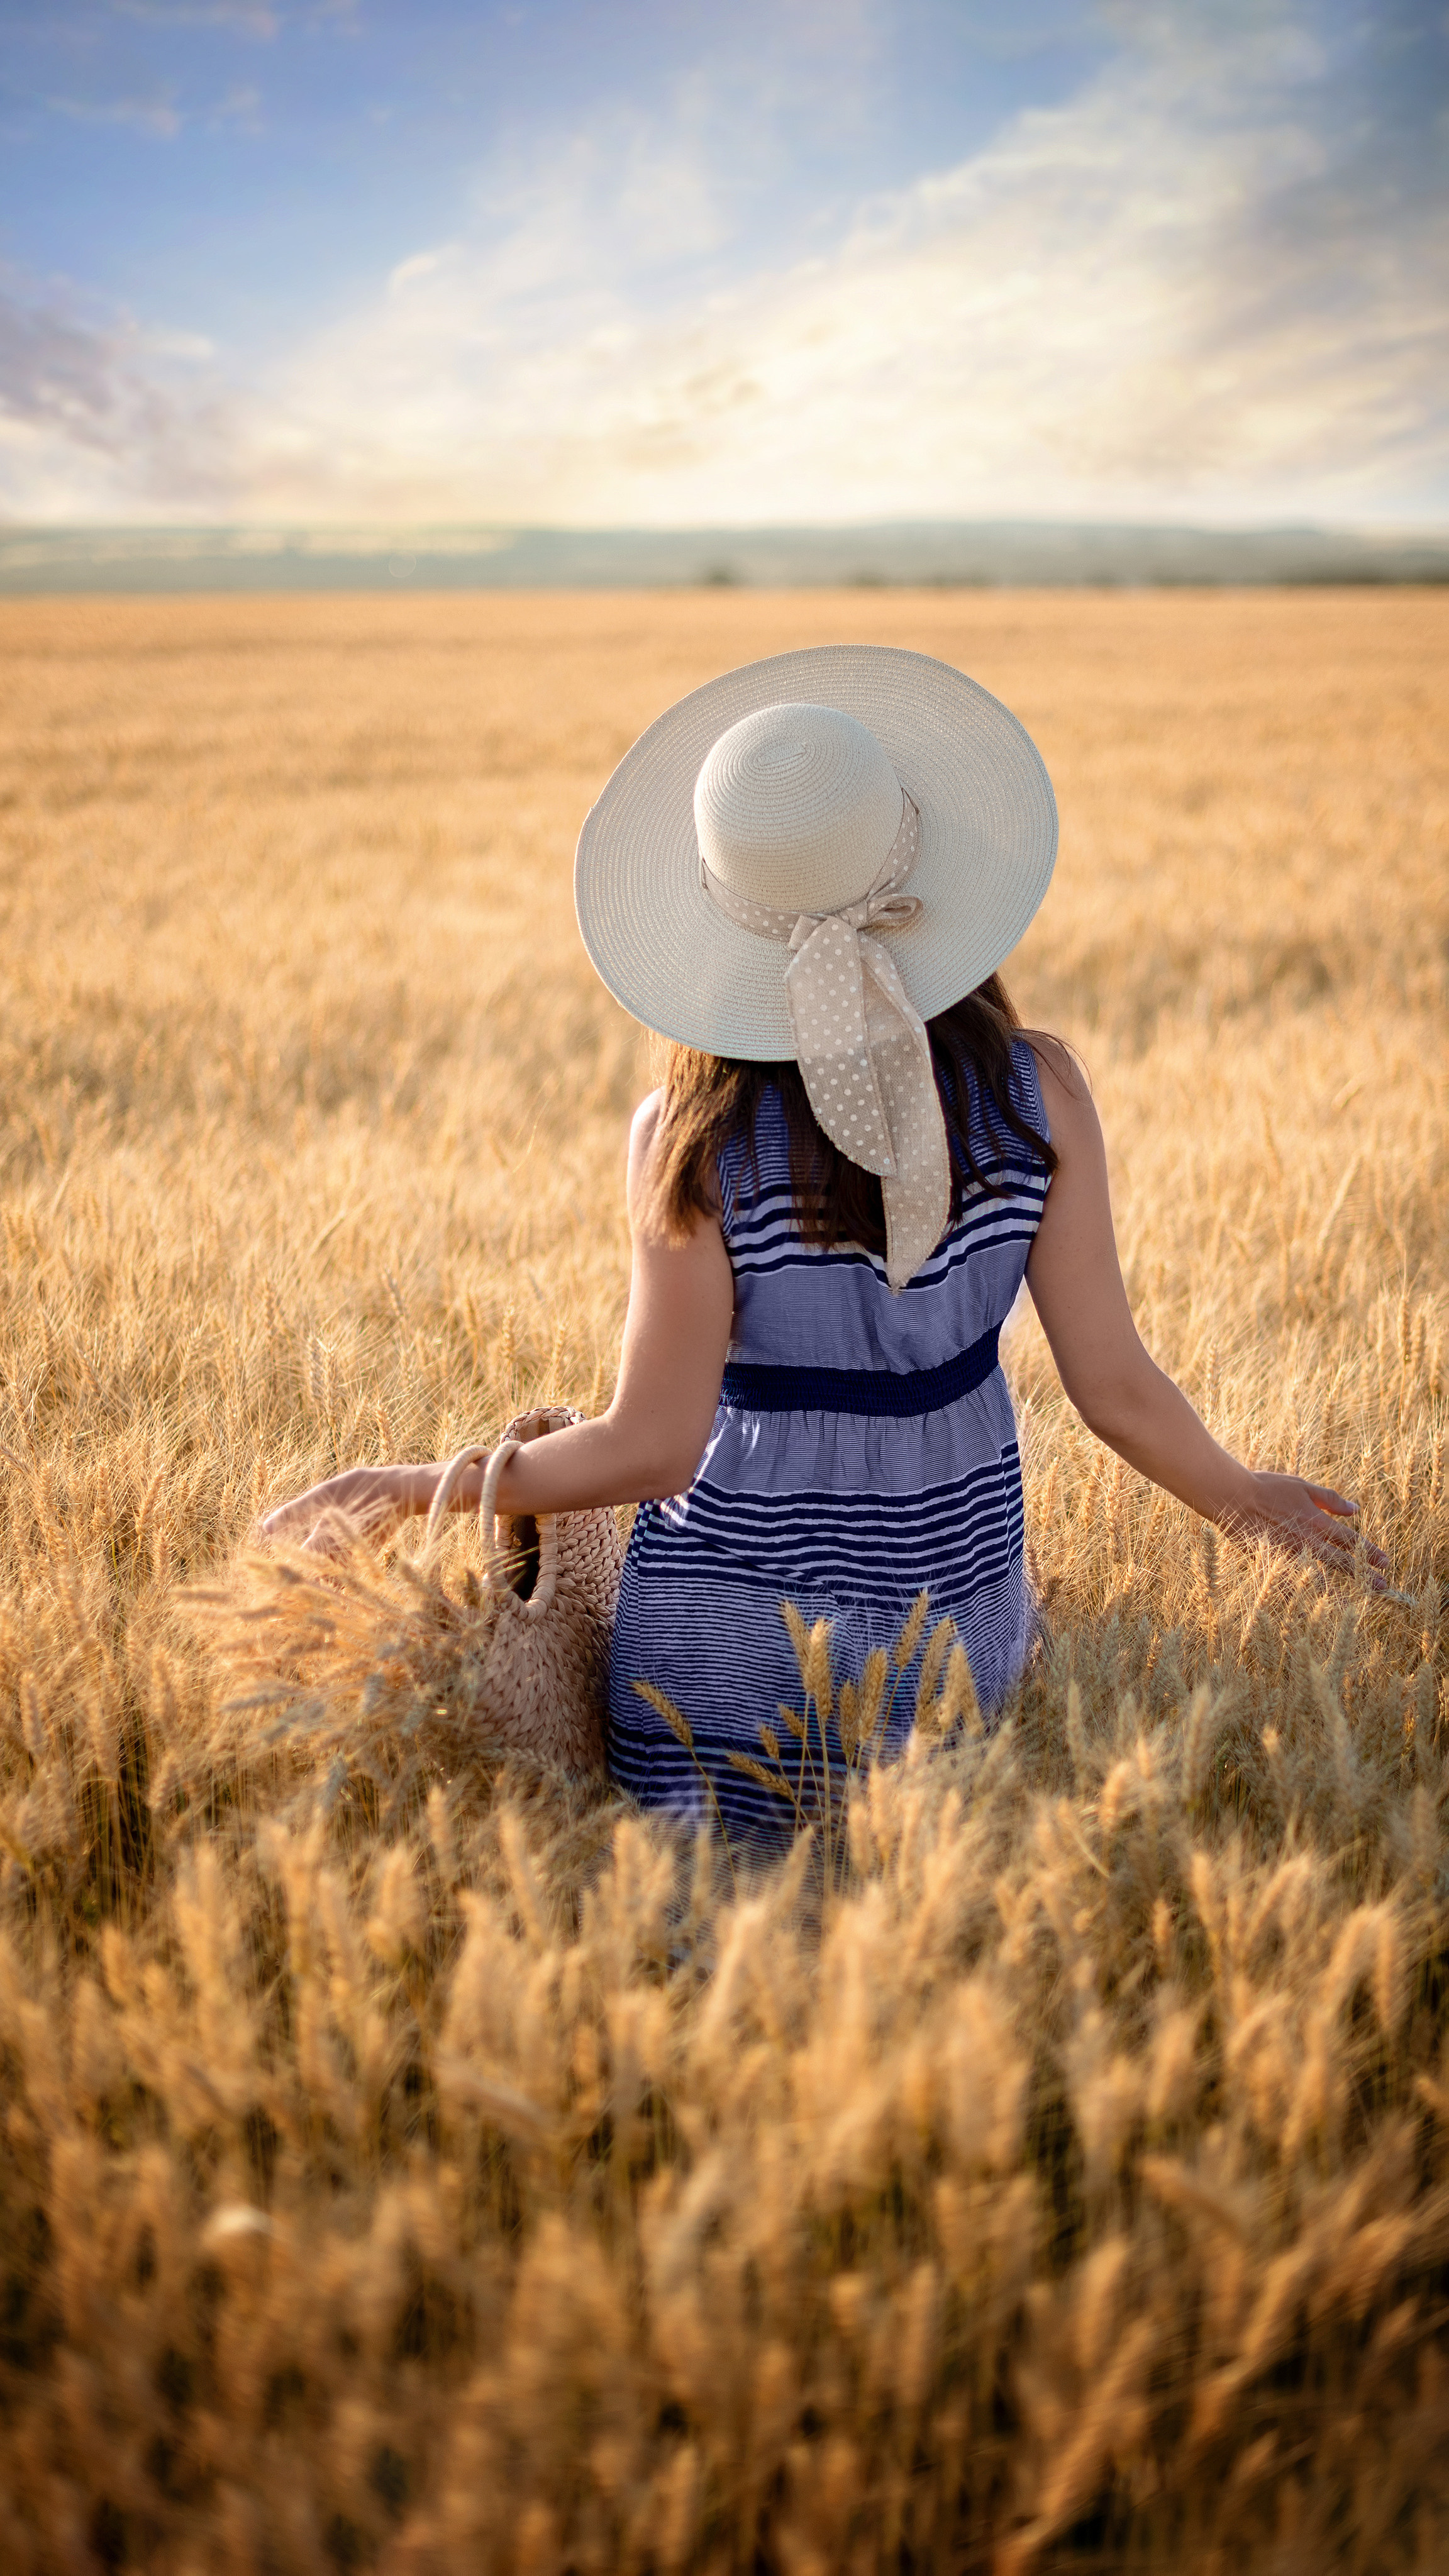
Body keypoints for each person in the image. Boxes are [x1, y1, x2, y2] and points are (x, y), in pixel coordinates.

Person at [263, 646, 1375, 1840]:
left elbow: (653, 1448)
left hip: (706, 1684)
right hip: (943, 1665)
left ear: (719, 925)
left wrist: (411, 1490)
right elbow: (1115, 1388)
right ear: (924, 881)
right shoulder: (1036, 1094)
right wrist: (1244, 1500)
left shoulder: (692, 1138)